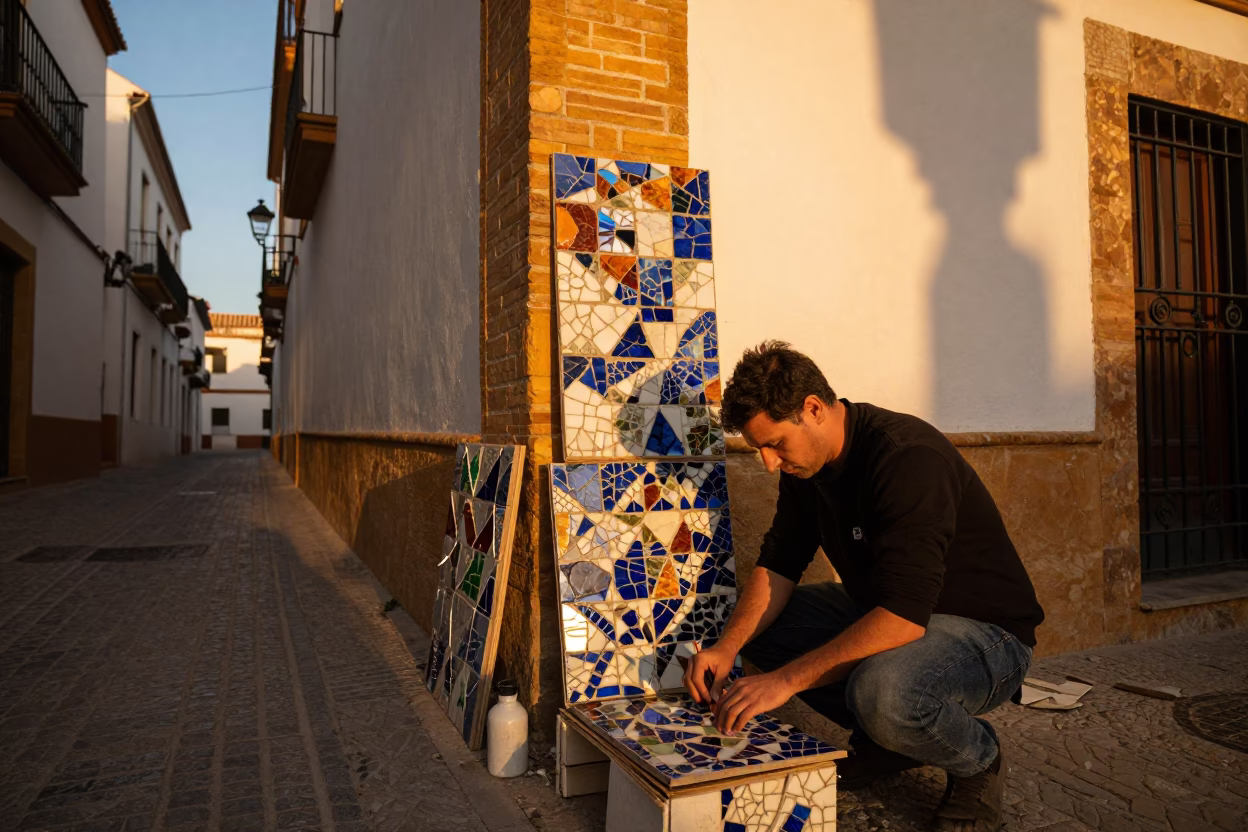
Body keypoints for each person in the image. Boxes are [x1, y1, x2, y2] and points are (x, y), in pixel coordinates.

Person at [683, 341, 1044, 832]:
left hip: (990, 636)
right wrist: (728, 648)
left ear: (813, 408)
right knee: (752, 627)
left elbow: (904, 617)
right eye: (759, 448)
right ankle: (888, 742)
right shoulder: (806, 468)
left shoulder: (906, 459)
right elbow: (780, 563)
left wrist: (783, 682)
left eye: (776, 444)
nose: (768, 463)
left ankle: (978, 759)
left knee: (884, 692)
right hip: (893, 614)